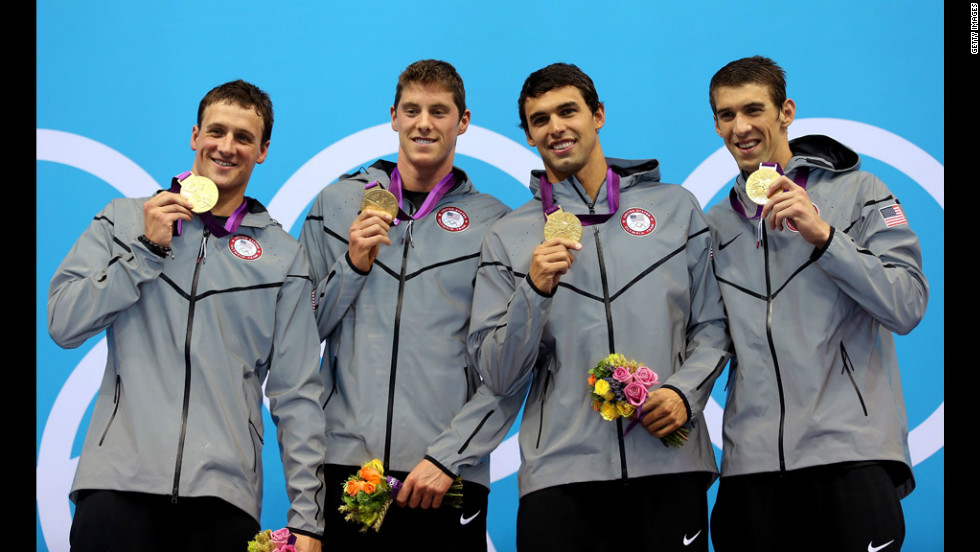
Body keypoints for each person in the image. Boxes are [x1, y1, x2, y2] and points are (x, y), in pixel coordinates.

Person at [47, 80, 326, 552]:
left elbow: (297, 393)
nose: (227, 146)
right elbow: (64, 323)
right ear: (195, 135)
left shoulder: (284, 256)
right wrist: (145, 250)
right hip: (117, 487)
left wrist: (308, 519)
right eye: (217, 131)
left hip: (222, 499)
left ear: (262, 151)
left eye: (244, 137)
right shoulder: (125, 219)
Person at [468, 62, 729, 551]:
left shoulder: (675, 207)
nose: (556, 128)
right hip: (561, 476)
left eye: (568, 111)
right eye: (540, 120)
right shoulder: (509, 235)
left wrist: (683, 393)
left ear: (599, 115)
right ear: (528, 136)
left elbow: (713, 325)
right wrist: (535, 289)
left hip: (668, 465)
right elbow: (496, 372)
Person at [705, 56, 928, 552]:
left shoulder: (861, 191)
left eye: (753, 109)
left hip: (849, 454)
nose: (740, 127)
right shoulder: (714, 225)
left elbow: (907, 304)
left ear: (786, 111)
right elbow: (706, 338)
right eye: (725, 114)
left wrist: (825, 235)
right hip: (751, 468)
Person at [299, 59, 517, 550]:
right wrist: (353, 263)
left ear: (463, 122)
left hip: (445, 470)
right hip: (348, 463)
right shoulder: (336, 204)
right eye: (413, 110)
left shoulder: (494, 223)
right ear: (393, 116)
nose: (424, 123)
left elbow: (509, 362)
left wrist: (451, 454)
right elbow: (298, 332)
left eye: (439, 111)